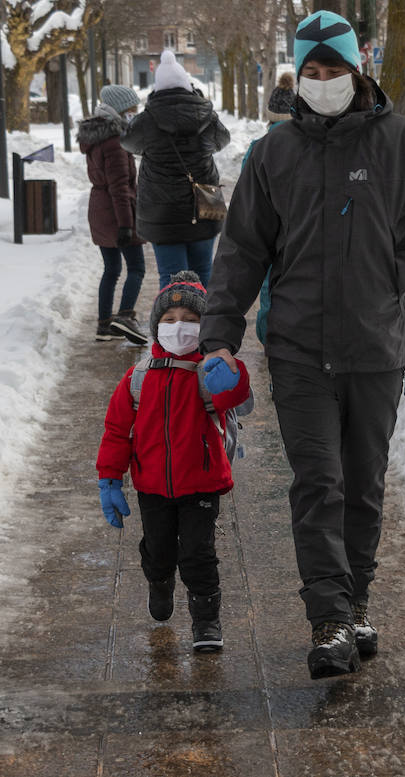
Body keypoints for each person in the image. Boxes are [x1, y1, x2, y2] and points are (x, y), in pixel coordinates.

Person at [199, 10, 405, 679]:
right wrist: (219, 336)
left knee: (363, 486)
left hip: (376, 348)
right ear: (301, 74)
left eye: (335, 70)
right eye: (314, 71)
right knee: (318, 482)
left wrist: (399, 274)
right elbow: (241, 253)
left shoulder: (404, 143)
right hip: (297, 348)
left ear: (359, 70)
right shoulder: (274, 153)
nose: (324, 81)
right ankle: (328, 619)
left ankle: (355, 602)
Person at [96, 271, 252, 653]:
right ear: (156, 327)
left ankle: (206, 621)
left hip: (203, 480)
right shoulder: (138, 378)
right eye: (169, 320)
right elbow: (117, 429)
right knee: (160, 549)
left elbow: (239, 396)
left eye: (190, 320)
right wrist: (110, 479)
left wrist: (231, 374)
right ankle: (159, 580)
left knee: (199, 553)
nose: (179, 327)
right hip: (152, 485)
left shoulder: (207, 373)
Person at [121, 50, 231, 290]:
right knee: (204, 273)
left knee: (172, 278)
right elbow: (223, 140)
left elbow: (128, 143)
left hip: (162, 211)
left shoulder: (147, 120)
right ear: (187, 85)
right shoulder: (206, 115)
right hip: (205, 203)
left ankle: (173, 326)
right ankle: (206, 326)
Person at [79, 85, 149, 344]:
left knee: (111, 269)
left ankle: (104, 324)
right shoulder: (115, 143)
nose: (135, 112)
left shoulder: (97, 136)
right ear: (120, 110)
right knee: (137, 268)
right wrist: (126, 225)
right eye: (132, 109)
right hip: (117, 212)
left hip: (99, 208)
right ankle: (124, 317)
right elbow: (120, 187)